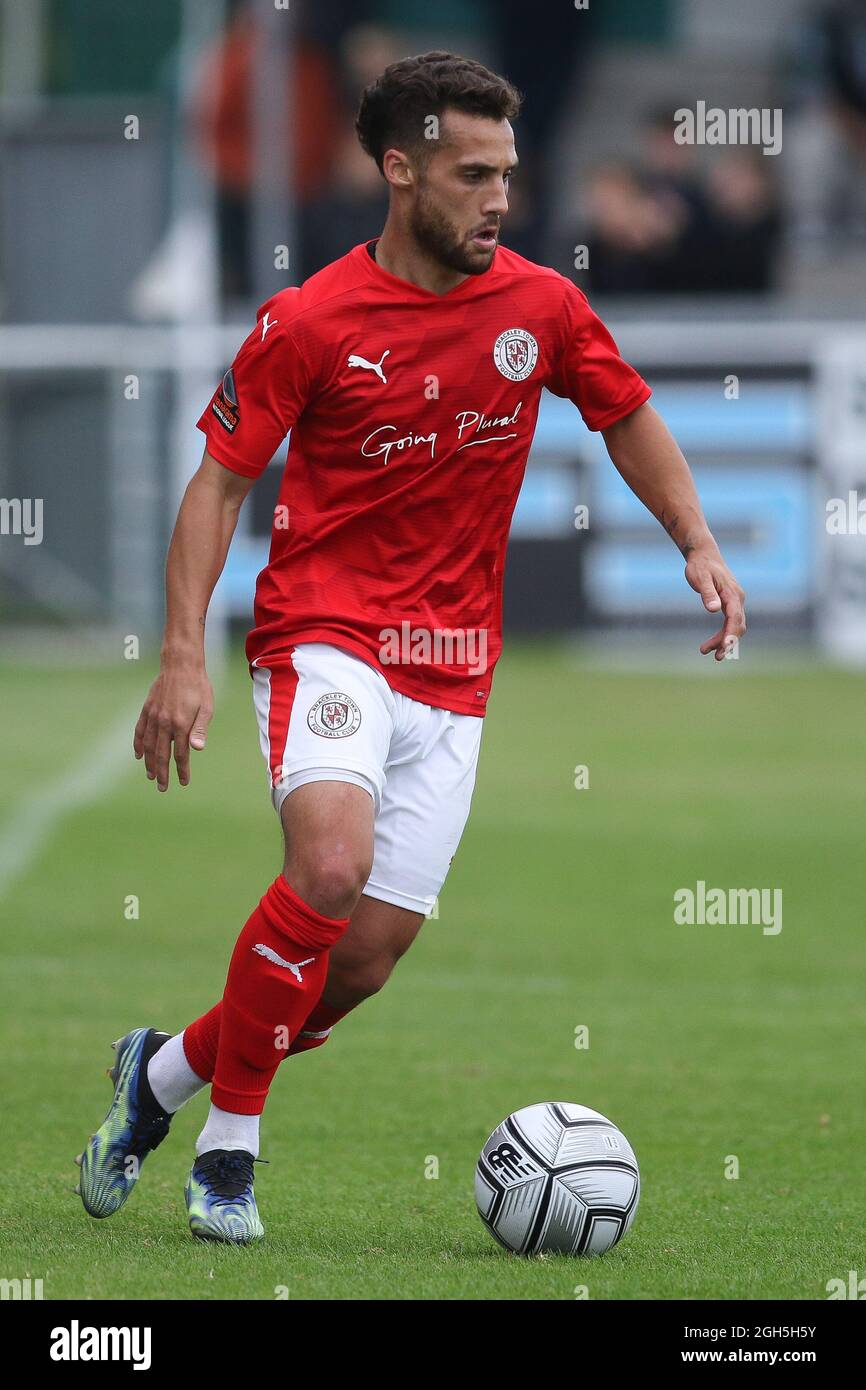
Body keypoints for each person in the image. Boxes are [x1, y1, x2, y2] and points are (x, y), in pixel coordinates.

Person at [75, 51, 746, 1244]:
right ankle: (228, 1153)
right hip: (326, 636)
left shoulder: (539, 307)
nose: (499, 198)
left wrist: (693, 536)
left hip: (456, 667)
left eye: (508, 173)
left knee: (361, 960)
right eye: (471, 174)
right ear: (398, 169)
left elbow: (626, 412)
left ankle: (162, 1077)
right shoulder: (311, 318)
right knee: (326, 873)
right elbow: (216, 487)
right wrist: (183, 651)